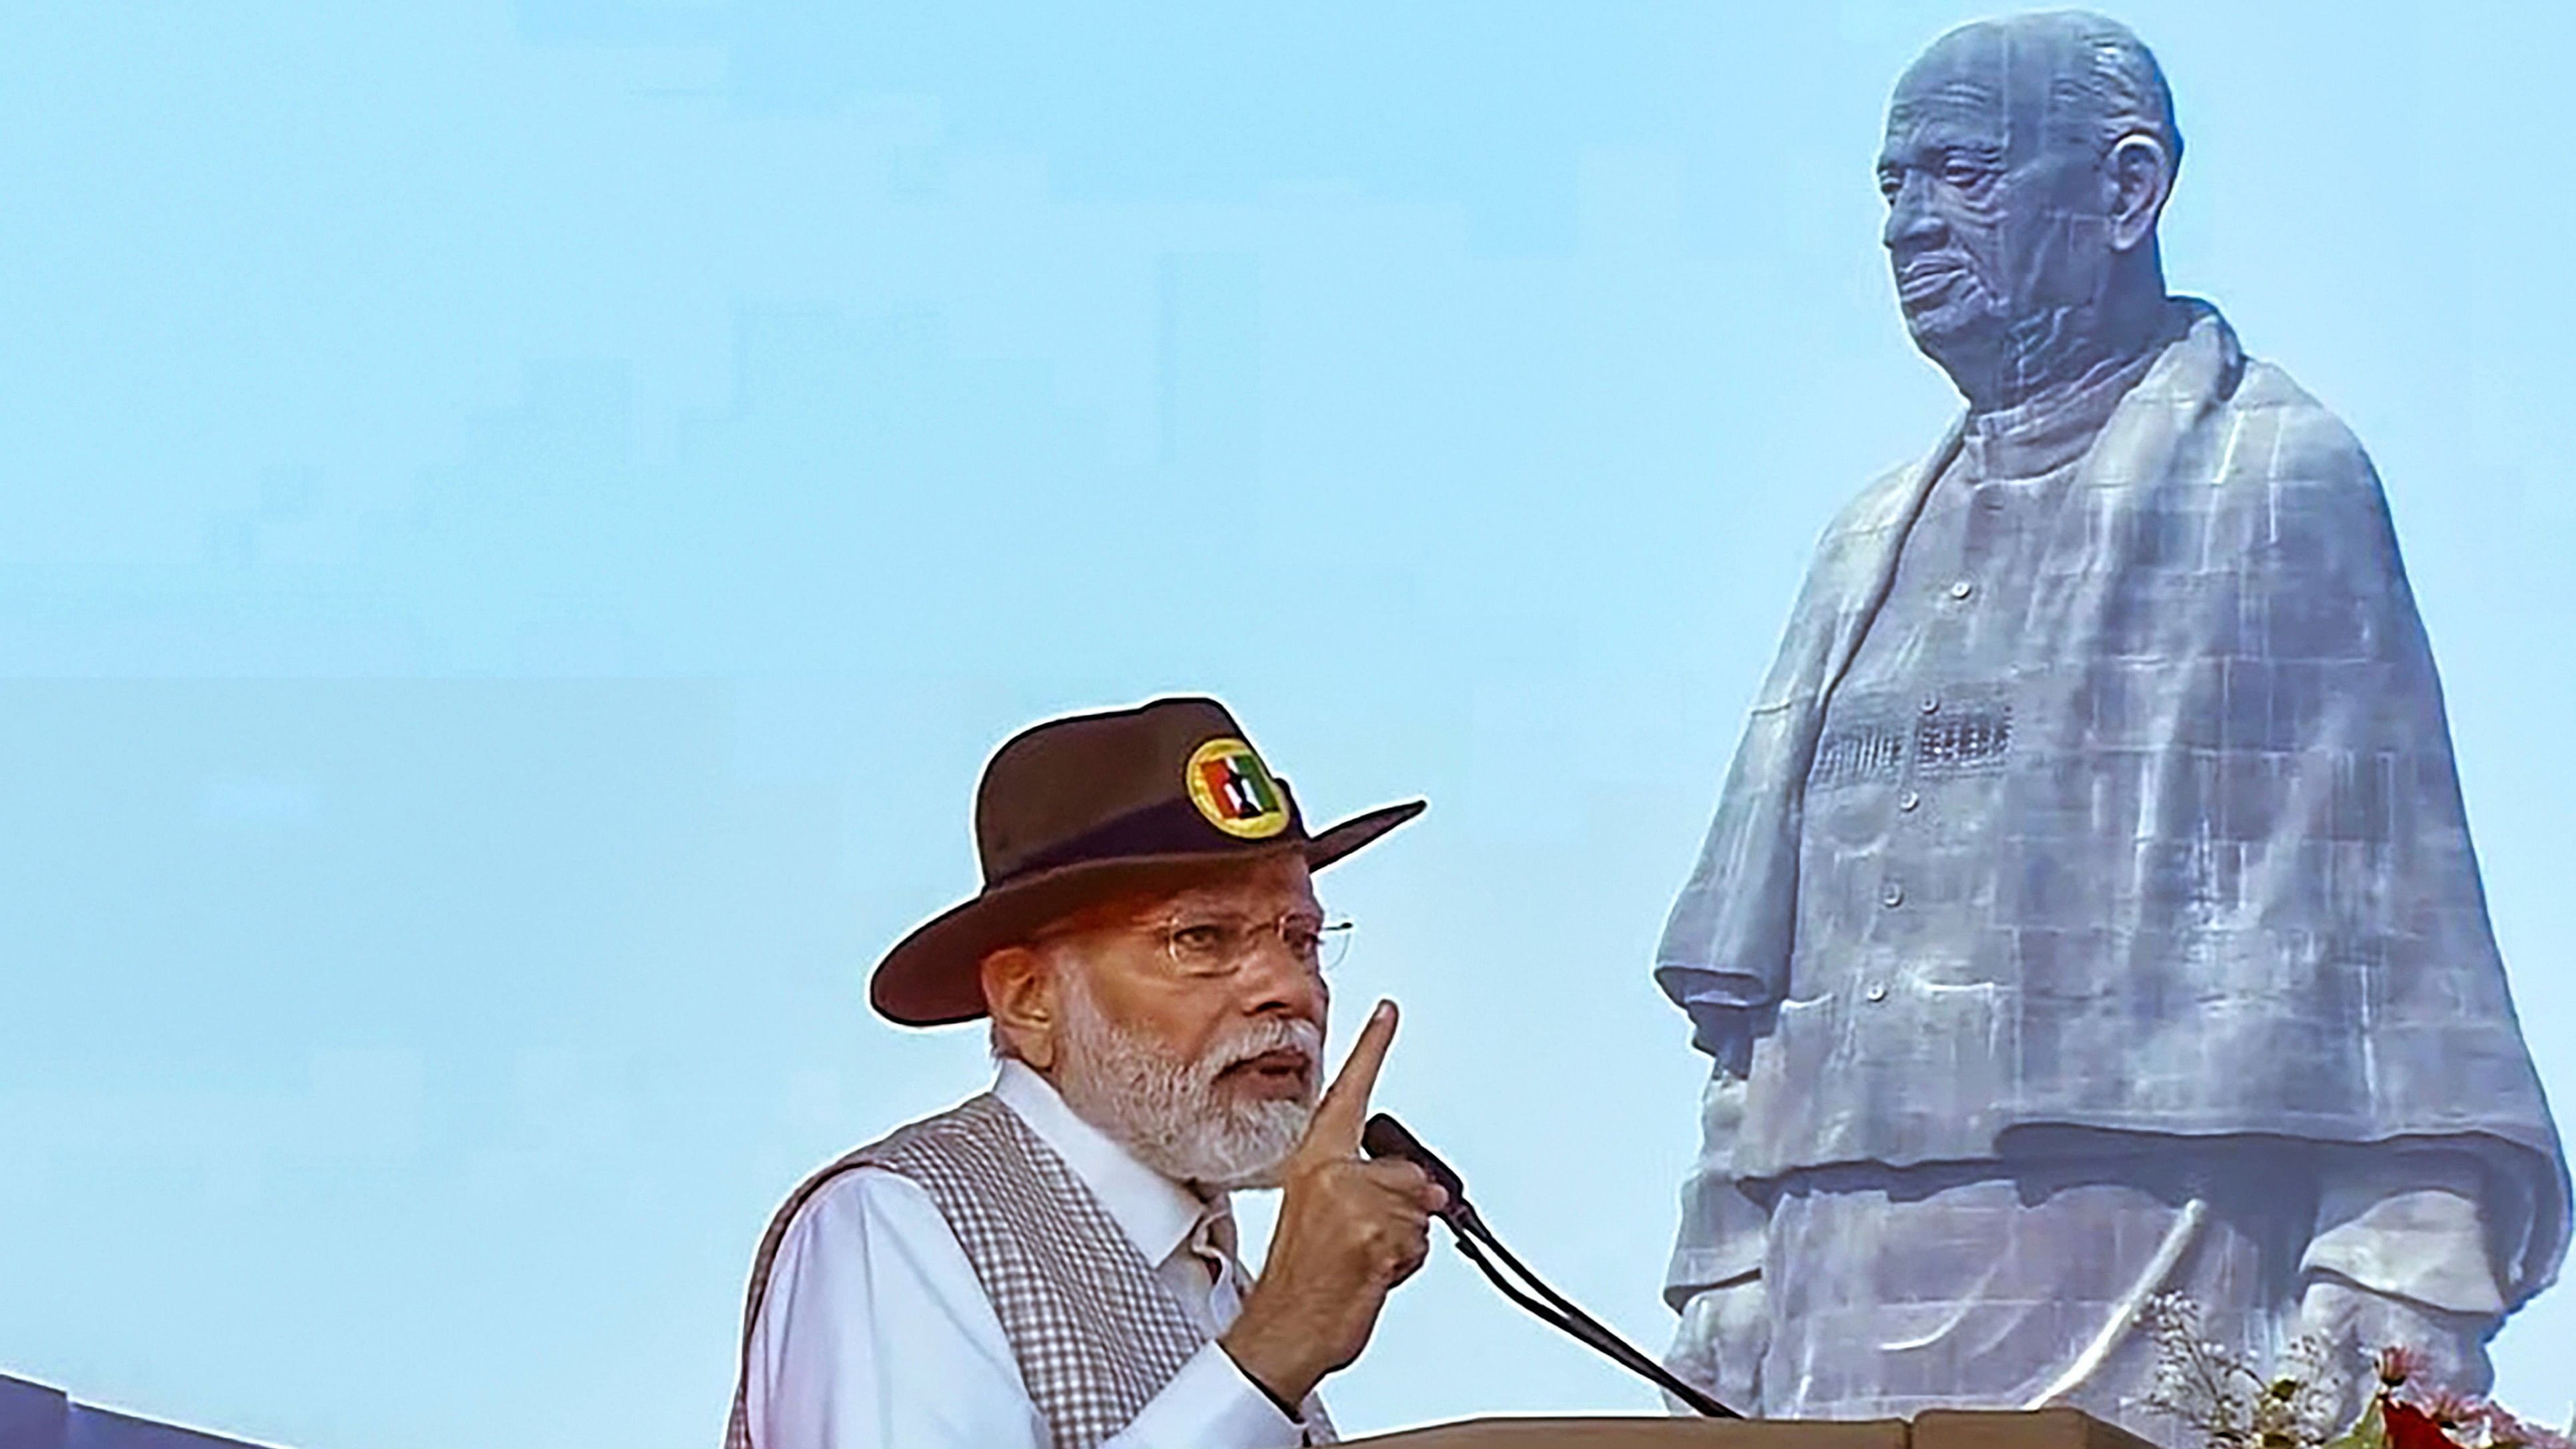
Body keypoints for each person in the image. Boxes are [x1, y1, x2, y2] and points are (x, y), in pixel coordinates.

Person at [1654, 11, 2567, 1428]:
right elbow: (1765, 989)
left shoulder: (2273, 479)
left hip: (2157, 1276)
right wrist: (1724, 1260)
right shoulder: (1862, 544)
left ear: (2124, 191)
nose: (1908, 225)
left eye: (1960, 173)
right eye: (1891, 186)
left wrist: (2390, 1289)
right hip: (1828, 1304)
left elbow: (2400, 951)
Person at [724, 696, 1440, 1448]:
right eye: (1199, 936)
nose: (1289, 988)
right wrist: (1272, 1350)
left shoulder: (1223, 1283)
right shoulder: (897, 1222)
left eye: (1301, 938)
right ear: (1029, 1000)